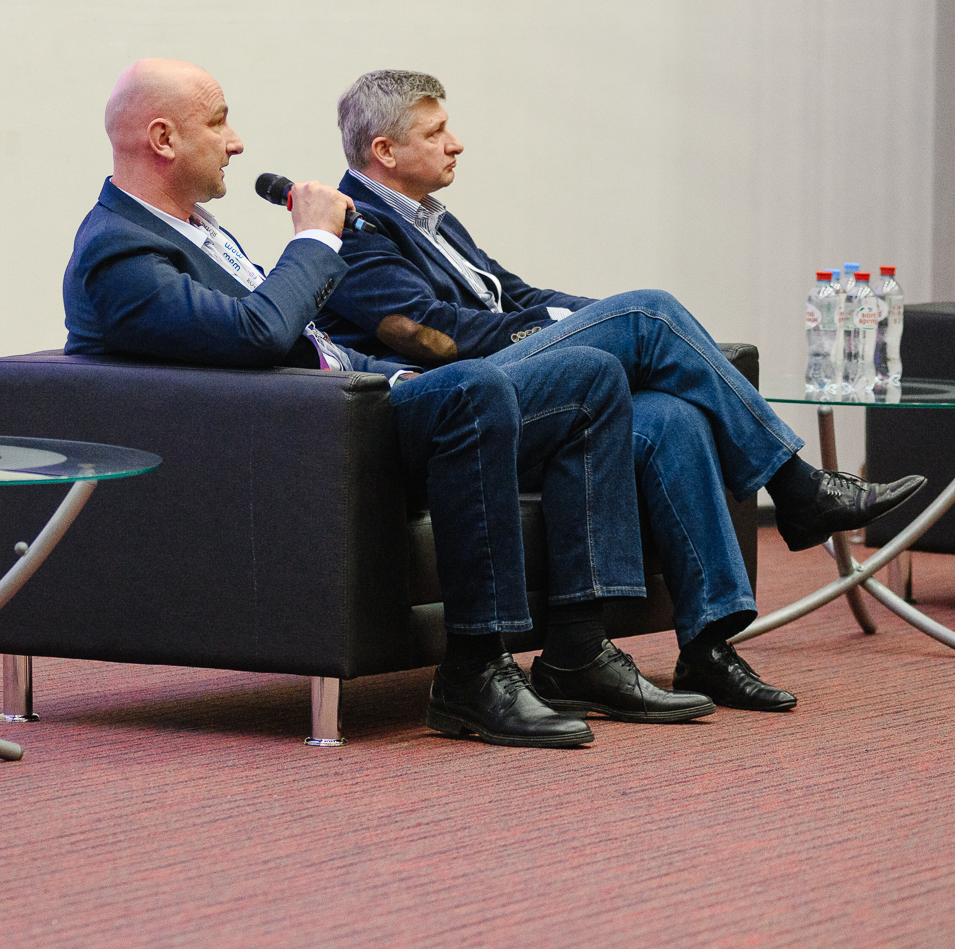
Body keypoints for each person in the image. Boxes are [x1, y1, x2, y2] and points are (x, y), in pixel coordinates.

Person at [65, 58, 716, 747]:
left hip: (348, 405)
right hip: (300, 442)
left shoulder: (197, 229)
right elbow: (258, 335)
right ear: (163, 139)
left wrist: (397, 376)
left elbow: (313, 349)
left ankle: (579, 648)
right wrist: (316, 238)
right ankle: (474, 671)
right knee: (473, 386)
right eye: (219, 122)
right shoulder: (121, 251)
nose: (237, 142)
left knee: (587, 377)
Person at [318, 69, 927, 713]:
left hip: (520, 398)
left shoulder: (433, 221)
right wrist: (599, 326)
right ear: (385, 151)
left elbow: (517, 294)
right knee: (647, 313)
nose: (456, 143)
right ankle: (798, 487)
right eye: (436, 132)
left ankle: (707, 646)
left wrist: (596, 319)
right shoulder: (352, 233)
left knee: (670, 416)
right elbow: (435, 335)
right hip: (456, 413)